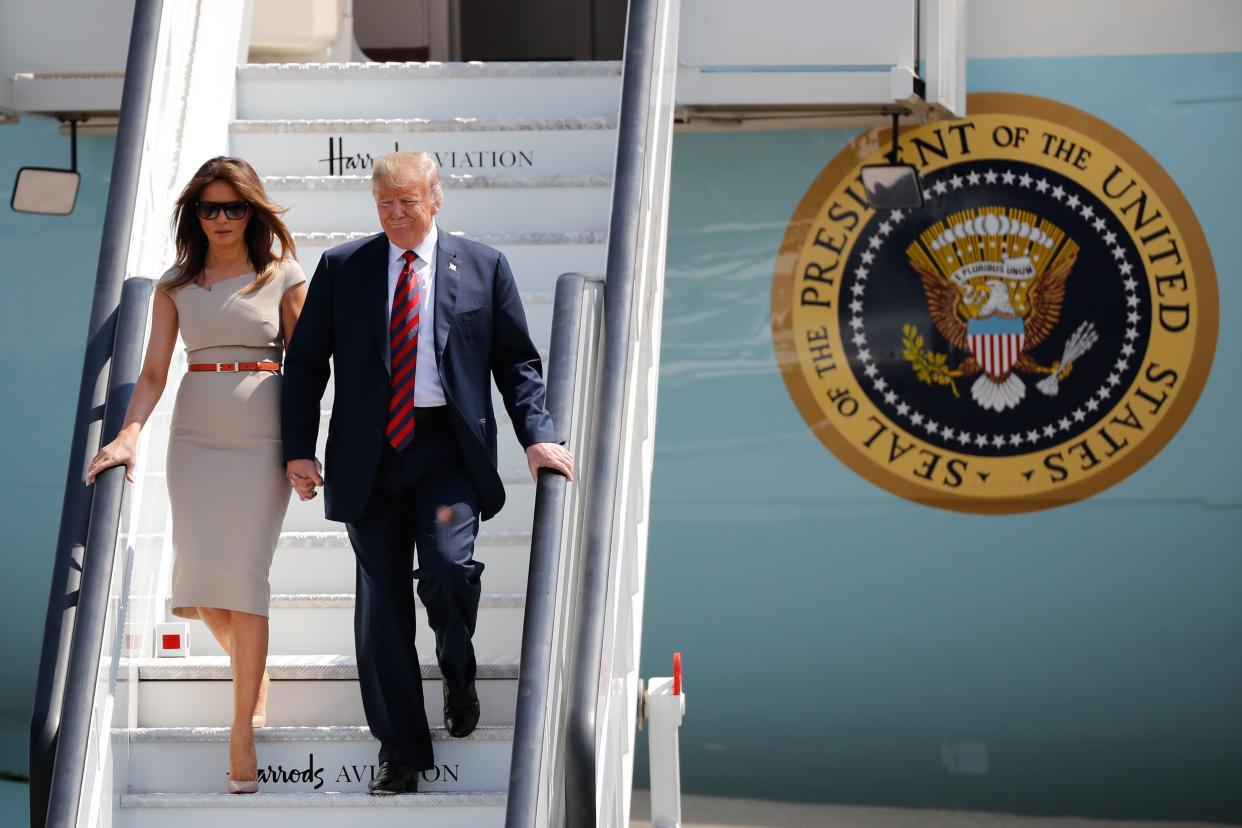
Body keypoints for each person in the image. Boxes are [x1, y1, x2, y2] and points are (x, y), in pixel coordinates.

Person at [281, 150, 573, 795]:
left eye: (407, 202)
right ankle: (402, 752)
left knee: (445, 568)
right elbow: (304, 366)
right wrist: (298, 449)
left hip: (446, 453)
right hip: (369, 458)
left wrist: (538, 437)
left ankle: (456, 663)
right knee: (382, 604)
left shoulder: (483, 266)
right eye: (384, 203)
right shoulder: (344, 267)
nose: (394, 214)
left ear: (435, 200)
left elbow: (517, 364)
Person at [86, 156, 307, 794]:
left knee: (244, 577)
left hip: (263, 434)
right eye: (209, 208)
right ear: (195, 214)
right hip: (194, 435)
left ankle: (241, 729)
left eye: (233, 207)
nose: (221, 219)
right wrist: (129, 434)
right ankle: (252, 671)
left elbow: (311, 371)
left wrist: (304, 449)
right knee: (202, 588)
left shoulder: (283, 275)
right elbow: (153, 373)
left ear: (252, 211)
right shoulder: (175, 284)